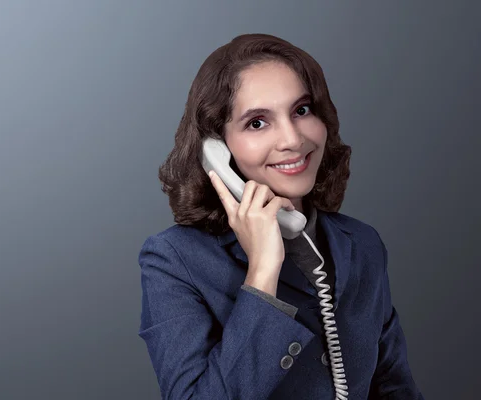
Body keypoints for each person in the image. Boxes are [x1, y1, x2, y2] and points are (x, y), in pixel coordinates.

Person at [137, 33, 424, 399]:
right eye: (257, 122)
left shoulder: (363, 244)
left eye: (302, 110)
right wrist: (261, 275)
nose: (292, 139)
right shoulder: (173, 260)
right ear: (216, 149)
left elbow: (394, 387)